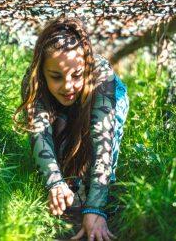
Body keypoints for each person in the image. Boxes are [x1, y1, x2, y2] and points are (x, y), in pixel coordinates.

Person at [13, 16, 129, 241]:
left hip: (105, 100)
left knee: (98, 141)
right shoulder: (32, 80)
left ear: (86, 68)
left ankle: (95, 190)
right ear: (43, 73)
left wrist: (95, 209)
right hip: (61, 106)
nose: (68, 85)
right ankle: (72, 182)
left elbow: (102, 137)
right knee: (61, 149)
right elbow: (39, 135)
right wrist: (54, 182)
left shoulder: (100, 74)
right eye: (56, 76)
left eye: (76, 75)